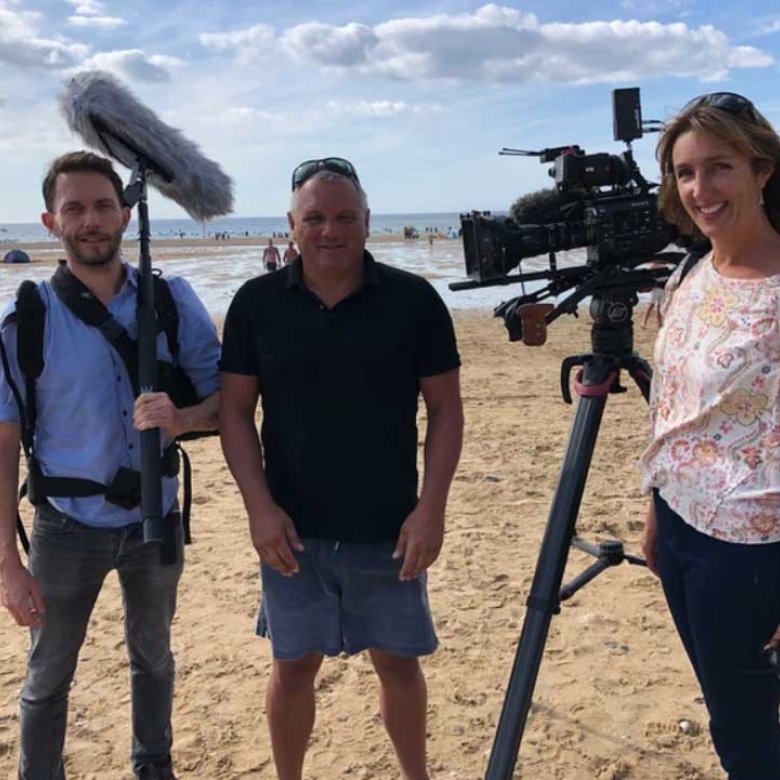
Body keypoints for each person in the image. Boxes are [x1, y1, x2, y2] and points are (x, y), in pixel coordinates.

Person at [219, 157, 463, 780]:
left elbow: (445, 411)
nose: (331, 230)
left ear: (367, 222)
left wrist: (430, 509)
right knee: (293, 667)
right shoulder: (256, 303)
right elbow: (237, 414)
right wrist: (259, 510)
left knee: (399, 663)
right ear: (292, 225)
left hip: (390, 527)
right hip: (291, 533)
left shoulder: (413, 300)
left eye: (345, 217)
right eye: (316, 218)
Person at [0, 151, 221, 780]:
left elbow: (229, 401)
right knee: (47, 675)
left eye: (103, 206)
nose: (91, 220)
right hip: (64, 526)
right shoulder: (27, 319)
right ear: (50, 221)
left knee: (153, 658)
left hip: (157, 515)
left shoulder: (172, 301)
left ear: (126, 214)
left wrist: (180, 419)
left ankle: (154, 766)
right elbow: (5, 441)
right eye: (75, 208)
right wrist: (9, 564)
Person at [638, 93, 780, 779]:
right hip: (682, 524)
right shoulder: (695, 269)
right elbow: (678, 407)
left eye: (718, 167)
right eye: (685, 173)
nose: (700, 189)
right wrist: (654, 505)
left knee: (753, 734)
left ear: (762, 169)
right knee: (733, 713)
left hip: (753, 550)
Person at [640, 262, 667, 328]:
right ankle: (643, 322)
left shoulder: (664, 266)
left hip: (661, 287)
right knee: (651, 305)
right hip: (656, 287)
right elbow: (650, 275)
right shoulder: (655, 266)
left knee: (659, 306)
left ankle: (659, 322)